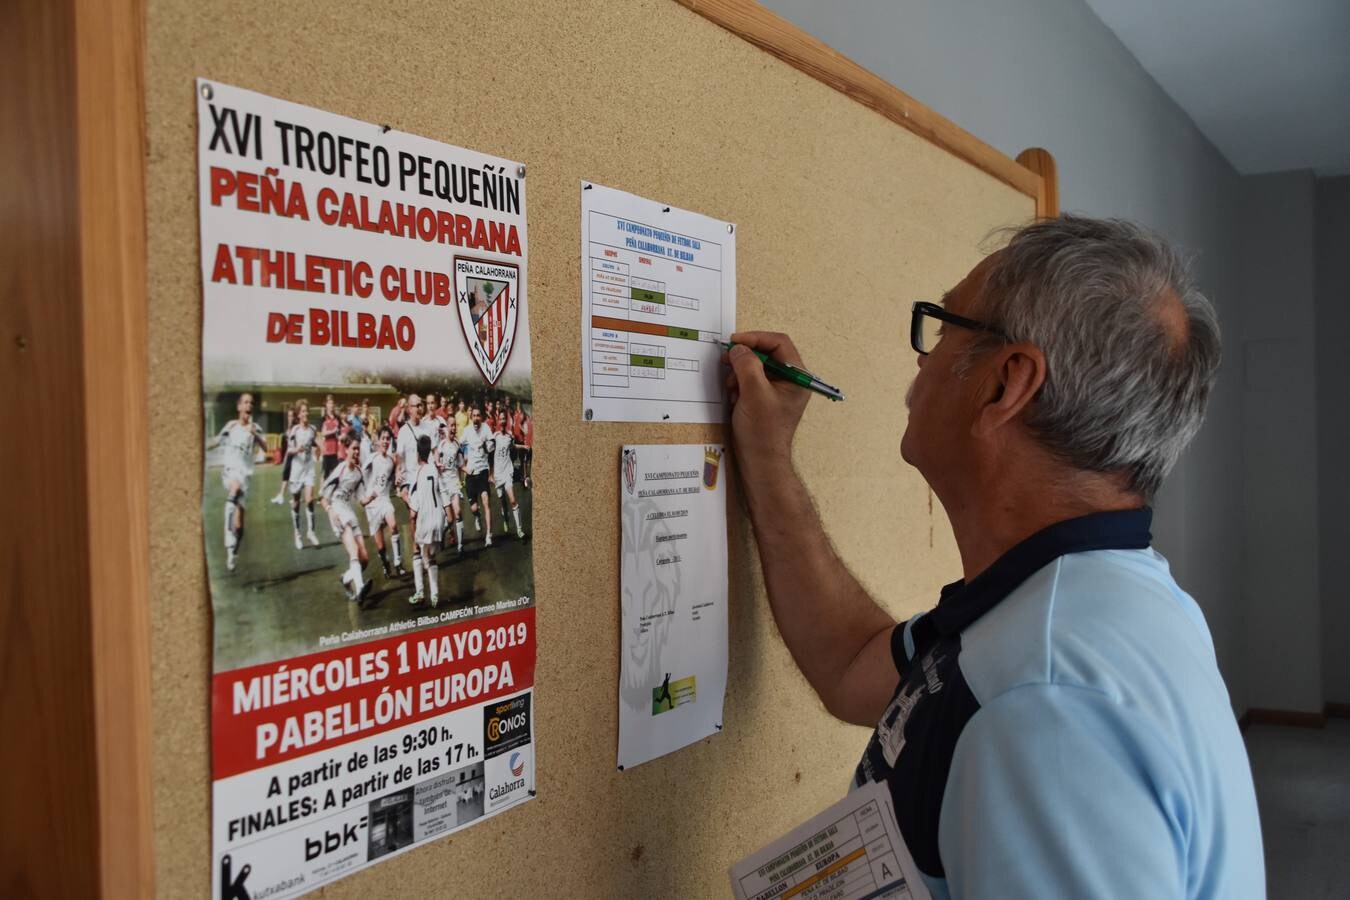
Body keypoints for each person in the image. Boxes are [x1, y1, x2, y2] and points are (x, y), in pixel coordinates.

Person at [722, 216, 1262, 899]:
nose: (925, 356)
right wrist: (769, 462)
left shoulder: (1048, 709)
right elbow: (852, 662)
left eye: (946, 326)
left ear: (1007, 384)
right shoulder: (1075, 601)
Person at [207, 392, 268, 572]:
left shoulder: (256, 428)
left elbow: (266, 447)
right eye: (246, 403)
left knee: (239, 525)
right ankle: (227, 536)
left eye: (251, 403)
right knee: (234, 488)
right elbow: (218, 440)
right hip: (230, 471)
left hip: (245, 475)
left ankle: (232, 552)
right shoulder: (231, 426)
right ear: (239, 407)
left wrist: (255, 435)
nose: (249, 406)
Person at [320, 433, 372, 603]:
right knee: (354, 552)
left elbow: (361, 499)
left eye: (358, 449)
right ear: (346, 450)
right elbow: (322, 496)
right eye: (354, 449)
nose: (356, 452)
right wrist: (330, 510)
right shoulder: (340, 470)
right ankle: (360, 589)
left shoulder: (358, 473)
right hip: (337, 511)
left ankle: (346, 579)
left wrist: (373, 496)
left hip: (349, 511)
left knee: (364, 558)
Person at [396, 394, 440, 575]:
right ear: (408, 409)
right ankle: (418, 550)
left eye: (421, 406)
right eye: (415, 406)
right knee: (413, 517)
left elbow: (436, 450)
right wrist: (398, 476)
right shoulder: (404, 432)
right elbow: (399, 458)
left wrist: (437, 462)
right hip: (411, 481)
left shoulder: (428, 427)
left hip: (426, 479)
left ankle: (426, 552)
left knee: (428, 518)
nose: (419, 409)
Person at [407, 435, 445, 607]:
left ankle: (420, 592)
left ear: (417, 454)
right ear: (429, 452)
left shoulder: (418, 473)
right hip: (439, 518)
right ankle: (435, 595)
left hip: (426, 519)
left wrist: (403, 494)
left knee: (416, 551)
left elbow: (413, 512)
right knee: (430, 555)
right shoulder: (434, 470)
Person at [363, 425, 404, 578]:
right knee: (380, 546)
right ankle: (385, 564)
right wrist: (365, 496)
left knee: (393, 525)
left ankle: (398, 563)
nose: (386, 441)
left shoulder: (391, 461)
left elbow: (392, 480)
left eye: (388, 439)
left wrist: (397, 480)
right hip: (372, 504)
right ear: (378, 441)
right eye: (383, 439)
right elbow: (360, 475)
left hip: (384, 499)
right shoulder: (371, 459)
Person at [285, 400, 321, 549]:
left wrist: (318, 450)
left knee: (310, 500)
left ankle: (311, 532)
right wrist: (296, 450)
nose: (306, 414)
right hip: (296, 470)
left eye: (307, 411)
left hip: (308, 469)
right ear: (299, 414)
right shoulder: (294, 431)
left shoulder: (312, 429)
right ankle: (297, 534)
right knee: (295, 504)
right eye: (303, 412)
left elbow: (316, 443)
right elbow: (289, 450)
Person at [460, 406, 495, 546]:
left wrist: (488, 446)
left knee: (486, 501)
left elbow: (492, 444)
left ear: (481, 417)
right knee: (474, 508)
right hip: (471, 473)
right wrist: (463, 467)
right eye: (474, 415)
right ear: (471, 417)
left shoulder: (486, 428)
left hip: (483, 471)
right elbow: (458, 446)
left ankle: (489, 535)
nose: (476, 418)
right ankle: (477, 516)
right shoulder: (467, 431)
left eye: (478, 415)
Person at [490, 414, 525, 539]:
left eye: (504, 418)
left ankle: (520, 530)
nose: (503, 421)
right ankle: (505, 518)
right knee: (503, 503)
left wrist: (524, 447)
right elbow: (488, 453)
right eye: (500, 419)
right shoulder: (494, 436)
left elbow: (512, 446)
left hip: (507, 472)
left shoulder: (510, 435)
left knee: (513, 500)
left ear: (506, 421)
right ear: (498, 421)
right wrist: (491, 474)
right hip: (498, 475)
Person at [435, 419, 466, 553]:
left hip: (454, 482)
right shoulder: (441, 444)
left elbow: (460, 464)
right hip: (443, 484)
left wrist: (469, 470)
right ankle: (442, 533)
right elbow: (436, 458)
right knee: (450, 519)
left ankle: (460, 546)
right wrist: (437, 464)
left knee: (458, 512)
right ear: (447, 427)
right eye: (451, 425)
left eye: (455, 425)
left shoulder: (457, 444)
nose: (453, 428)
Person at [269, 405, 298, 505]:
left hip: (295, 456)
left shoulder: (296, 428)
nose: (290, 418)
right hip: (290, 455)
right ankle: (281, 495)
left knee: (293, 478)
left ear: (295, 416)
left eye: (292, 416)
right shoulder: (289, 427)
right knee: (286, 475)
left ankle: (293, 498)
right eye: (289, 416)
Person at [320, 395, 340, 478]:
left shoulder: (337, 418)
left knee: (335, 474)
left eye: (332, 403)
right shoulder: (324, 418)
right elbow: (323, 433)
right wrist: (333, 431)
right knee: (324, 474)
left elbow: (338, 433)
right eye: (329, 403)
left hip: (335, 450)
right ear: (326, 405)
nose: (331, 405)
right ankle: (321, 490)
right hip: (327, 451)